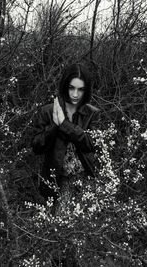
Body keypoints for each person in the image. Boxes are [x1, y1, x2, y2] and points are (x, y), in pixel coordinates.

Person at [31, 63, 100, 212]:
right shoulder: (48, 111)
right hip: (57, 179)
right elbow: (37, 146)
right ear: (65, 86)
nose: (75, 94)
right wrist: (55, 126)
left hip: (84, 178)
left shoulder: (92, 113)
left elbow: (92, 144)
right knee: (59, 225)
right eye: (71, 88)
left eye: (80, 89)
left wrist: (64, 124)